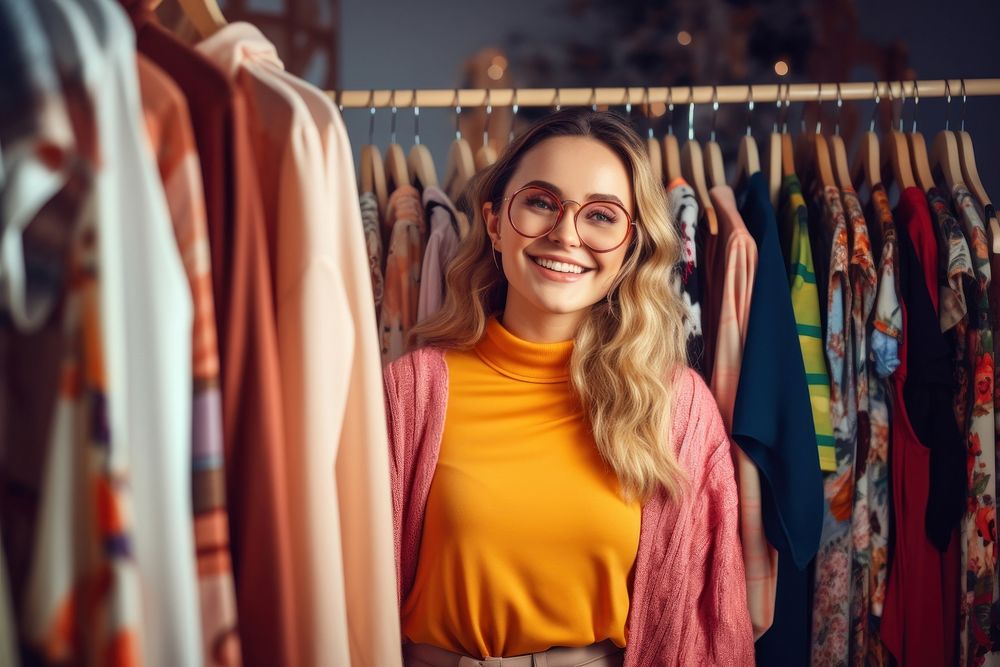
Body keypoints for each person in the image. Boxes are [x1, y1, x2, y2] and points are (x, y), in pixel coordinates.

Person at [383, 109, 754, 666]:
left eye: (602, 216)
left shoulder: (676, 408)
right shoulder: (410, 393)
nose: (566, 234)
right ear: (494, 222)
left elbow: (709, 623)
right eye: (540, 202)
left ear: (630, 245)